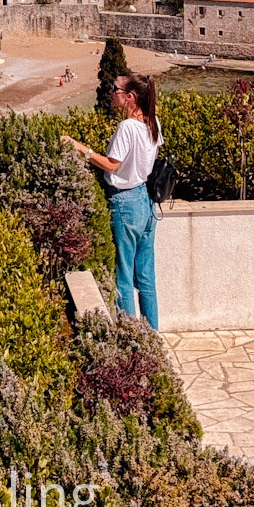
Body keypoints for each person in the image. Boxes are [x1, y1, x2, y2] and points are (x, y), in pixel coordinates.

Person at [61, 73, 160, 329]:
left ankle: (130, 335)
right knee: (146, 276)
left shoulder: (127, 127)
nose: (110, 91)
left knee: (124, 276)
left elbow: (111, 166)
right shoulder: (152, 123)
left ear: (129, 97)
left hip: (126, 202)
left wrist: (80, 148)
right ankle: (152, 335)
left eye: (114, 88)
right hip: (146, 201)